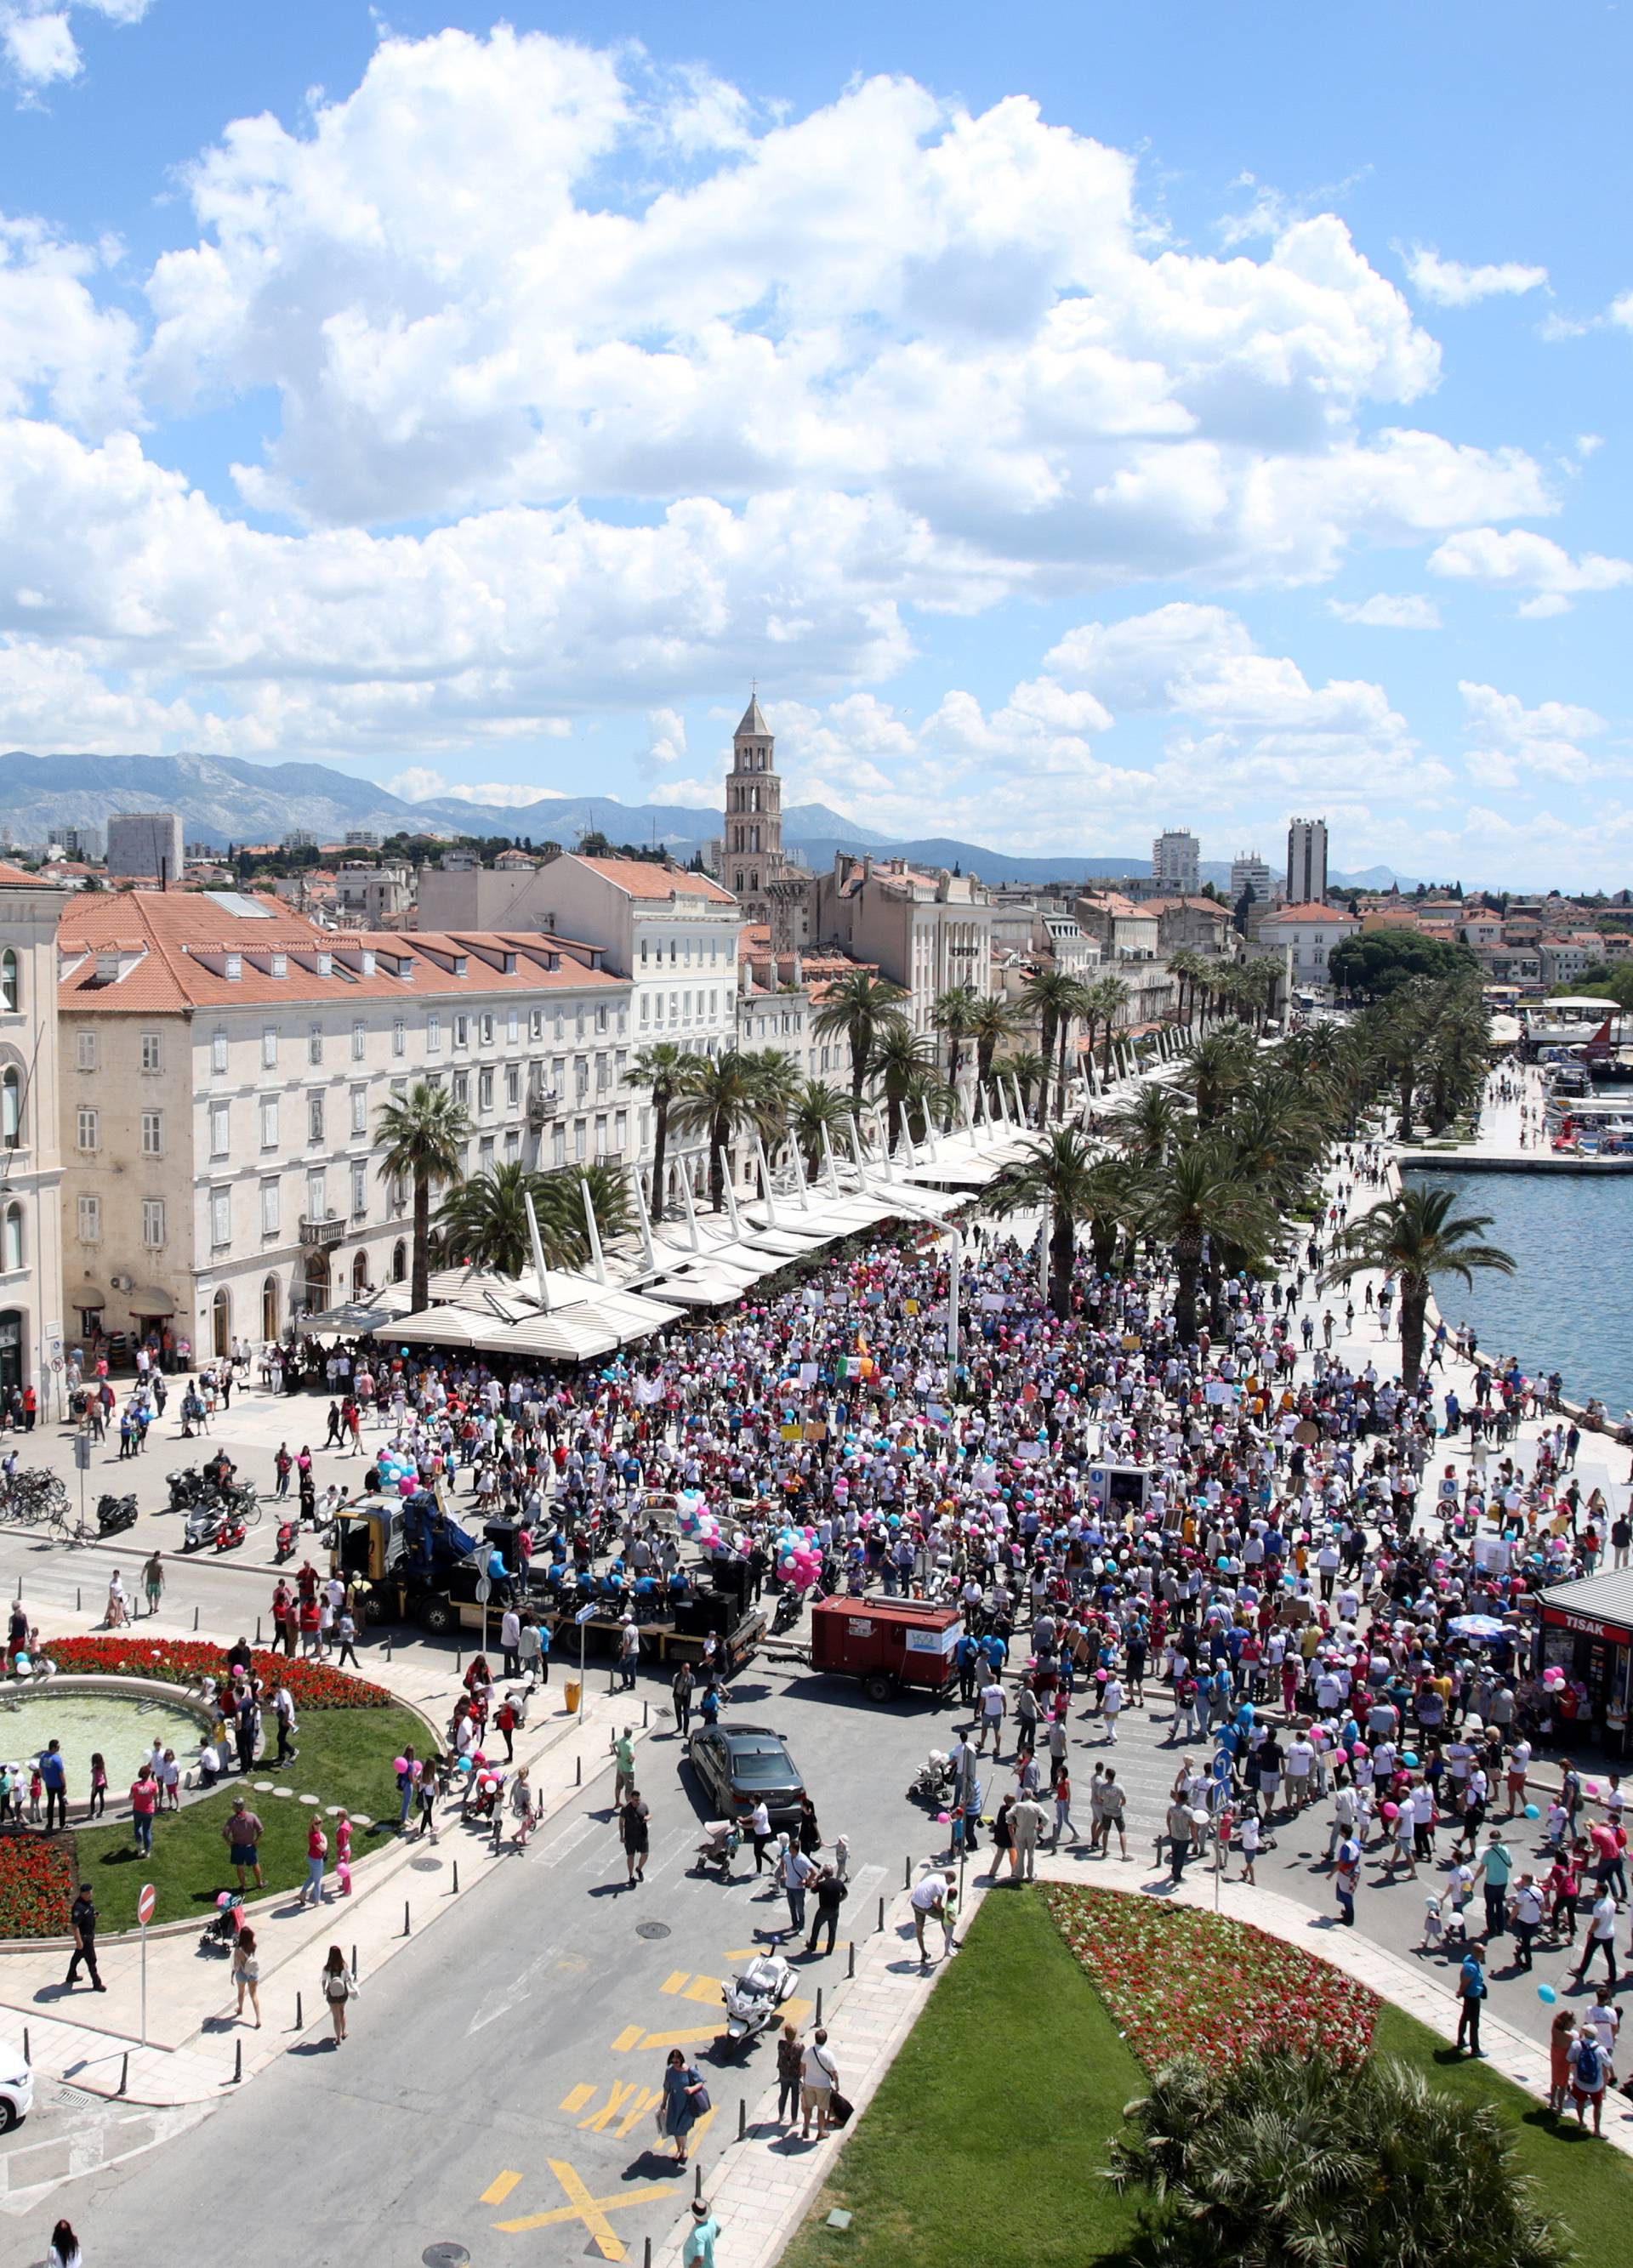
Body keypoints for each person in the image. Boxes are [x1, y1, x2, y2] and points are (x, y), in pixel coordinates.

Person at [661, 2047, 708, 2166]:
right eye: (672, 2061)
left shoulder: (689, 2070)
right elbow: (667, 2087)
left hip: (687, 2104)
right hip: (675, 2103)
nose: (674, 2064)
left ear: (681, 2060)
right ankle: (679, 2150)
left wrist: (691, 2089)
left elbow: (701, 2082)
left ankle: (684, 2149)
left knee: (682, 2129)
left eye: (676, 2061)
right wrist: (664, 2102)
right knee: (675, 2128)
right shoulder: (670, 2071)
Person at [1568, 2022, 1607, 2134]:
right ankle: (1597, 2130)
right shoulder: (1600, 2050)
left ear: (1584, 2033)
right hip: (1596, 2084)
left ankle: (1581, 2122)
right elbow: (1608, 2063)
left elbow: (1569, 2058)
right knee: (1598, 2105)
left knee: (1580, 2101)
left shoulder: (1576, 2045)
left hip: (1579, 2081)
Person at [799, 2026, 839, 2140]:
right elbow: (834, 2072)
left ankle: (806, 2128)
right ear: (825, 2040)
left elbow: (802, 2066)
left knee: (808, 2108)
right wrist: (837, 2084)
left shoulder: (808, 2051)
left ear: (815, 2039)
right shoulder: (828, 2055)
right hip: (823, 2086)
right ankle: (821, 2132)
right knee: (821, 2110)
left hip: (809, 2084)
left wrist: (804, 2077)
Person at [64, 1882, 103, 1992]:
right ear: (83, 1894)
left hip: (89, 1935)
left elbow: (88, 1914)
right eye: (88, 1893)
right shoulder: (78, 1907)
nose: (90, 1894)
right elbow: (75, 1926)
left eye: (91, 1892)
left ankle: (71, 1976)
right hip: (85, 1938)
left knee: (77, 1956)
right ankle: (97, 1984)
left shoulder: (88, 1903)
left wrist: (94, 1915)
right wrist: (79, 1941)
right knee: (92, 1960)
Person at [805, 1864, 848, 1957]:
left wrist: (817, 1880)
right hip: (835, 1910)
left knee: (816, 1927)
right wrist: (838, 1900)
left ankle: (813, 1945)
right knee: (832, 1930)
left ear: (823, 1874)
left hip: (824, 1910)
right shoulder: (839, 1882)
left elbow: (812, 1890)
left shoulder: (822, 1884)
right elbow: (845, 1894)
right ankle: (829, 1950)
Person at [224, 1794, 265, 1890]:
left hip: (237, 1848)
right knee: (255, 1864)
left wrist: (229, 1842)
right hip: (250, 1846)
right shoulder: (252, 1816)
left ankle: (243, 1886)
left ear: (234, 1808)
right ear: (243, 1806)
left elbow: (225, 1834)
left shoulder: (232, 1820)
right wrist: (257, 1840)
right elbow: (261, 1830)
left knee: (240, 1867)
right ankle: (260, 1883)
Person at [910, 1871, 948, 1964]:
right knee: (943, 1917)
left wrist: (937, 1907)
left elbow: (929, 1898)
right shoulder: (943, 1886)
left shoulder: (935, 1876)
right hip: (924, 1905)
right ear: (949, 1879)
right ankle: (949, 1942)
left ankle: (923, 1953)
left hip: (915, 1902)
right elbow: (939, 1905)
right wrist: (944, 1911)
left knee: (919, 1928)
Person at [1454, 1947, 1487, 2056]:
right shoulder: (1471, 1967)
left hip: (1472, 1994)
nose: (1484, 1954)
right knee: (1474, 2023)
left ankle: (1461, 2041)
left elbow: (1462, 1972)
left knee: (1465, 2017)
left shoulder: (1470, 1960)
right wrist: (1460, 1991)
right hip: (1472, 1996)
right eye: (1482, 1952)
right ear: (1476, 1953)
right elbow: (1465, 1981)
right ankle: (1475, 2049)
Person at [321, 1946, 356, 2044]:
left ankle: (338, 2038)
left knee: (335, 2017)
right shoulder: (344, 1965)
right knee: (342, 2011)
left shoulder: (326, 1968)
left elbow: (324, 1980)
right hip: (342, 1992)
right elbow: (350, 1977)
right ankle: (344, 2032)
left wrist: (324, 1990)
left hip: (331, 1994)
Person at [618, 1787, 651, 1886]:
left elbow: (649, 1814)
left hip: (642, 1835)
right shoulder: (625, 1808)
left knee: (645, 1854)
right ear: (631, 1799)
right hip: (630, 1837)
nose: (638, 1802)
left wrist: (647, 1818)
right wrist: (622, 1836)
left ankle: (639, 1869)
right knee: (631, 1856)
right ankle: (631, 1875)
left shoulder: (643, 1806)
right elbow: (621, 1822)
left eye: (639, 1799)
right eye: (636, 1800)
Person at [232, 1925, 262, 2027]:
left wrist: (232, 1975)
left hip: (241, 1972)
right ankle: (258, 2019)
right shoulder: (254, 1946)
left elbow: (236, 1964)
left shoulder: (238, 1949)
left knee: (241, 1993)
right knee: (253, 1994)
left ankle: (240, 2009)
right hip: (252, 1972)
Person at [776, 2023, 803, 2125]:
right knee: (794, 2097)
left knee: (783, 2094)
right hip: (795, 2075)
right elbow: (802, 2061)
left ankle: (780, 2115)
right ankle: (794, 2120)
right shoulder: (799, 2047)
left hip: (784, 2074)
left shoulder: (781, 2044)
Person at [683, 2198, 720, 2268]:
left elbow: (700, 2259)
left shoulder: (698, 2234)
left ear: (694, 2215)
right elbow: (719, 2228)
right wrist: (710, 2240)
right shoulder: (711, 2219)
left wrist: (692, 2267)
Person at [301, 1816, 328, 1907]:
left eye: (320, 1822)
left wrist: (322, 1835)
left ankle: (302, 1894)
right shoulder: (316, 1836)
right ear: (312, 1824)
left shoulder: (313, 1833)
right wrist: (325, 1840)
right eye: (316, 1823)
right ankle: (317, 1901)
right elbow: (323, 1848)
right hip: (317, 1860)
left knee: (312, 1877)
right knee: (318, 1881)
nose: (319, 1825)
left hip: (311, 1858)